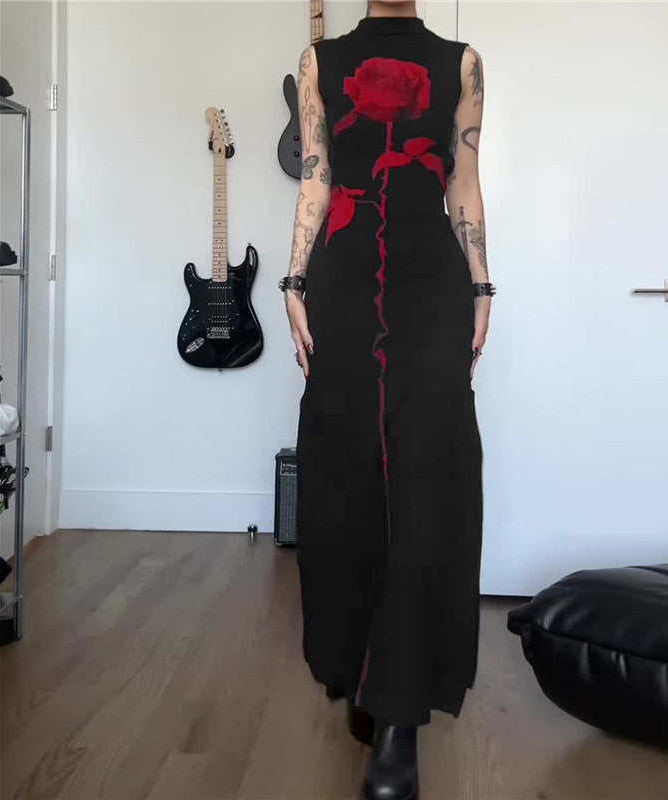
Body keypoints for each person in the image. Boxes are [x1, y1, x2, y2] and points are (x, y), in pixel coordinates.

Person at [280, 2, 492, 797]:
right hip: (341, 279)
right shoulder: (321, 63)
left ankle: (400, 716)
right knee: (347, 477)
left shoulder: (462, 62)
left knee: (426, 479)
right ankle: (360, 669)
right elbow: (316, 177)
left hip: (432, 286)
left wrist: (482, 286)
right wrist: (293, 280)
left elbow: (463, 181)